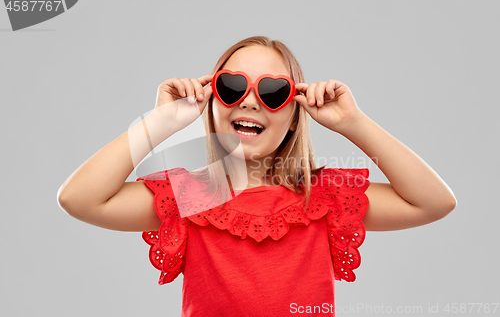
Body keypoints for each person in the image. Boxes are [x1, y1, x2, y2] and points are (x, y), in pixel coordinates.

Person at [57, 36, 457, 316]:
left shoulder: (323, 198)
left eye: (272, 93)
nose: (250, 99)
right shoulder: (196, 195)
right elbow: (79, 199)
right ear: (211, 99)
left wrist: (354, 124)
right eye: (231, 87)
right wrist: (160, 123)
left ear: (295, 112)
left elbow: (434, 202)